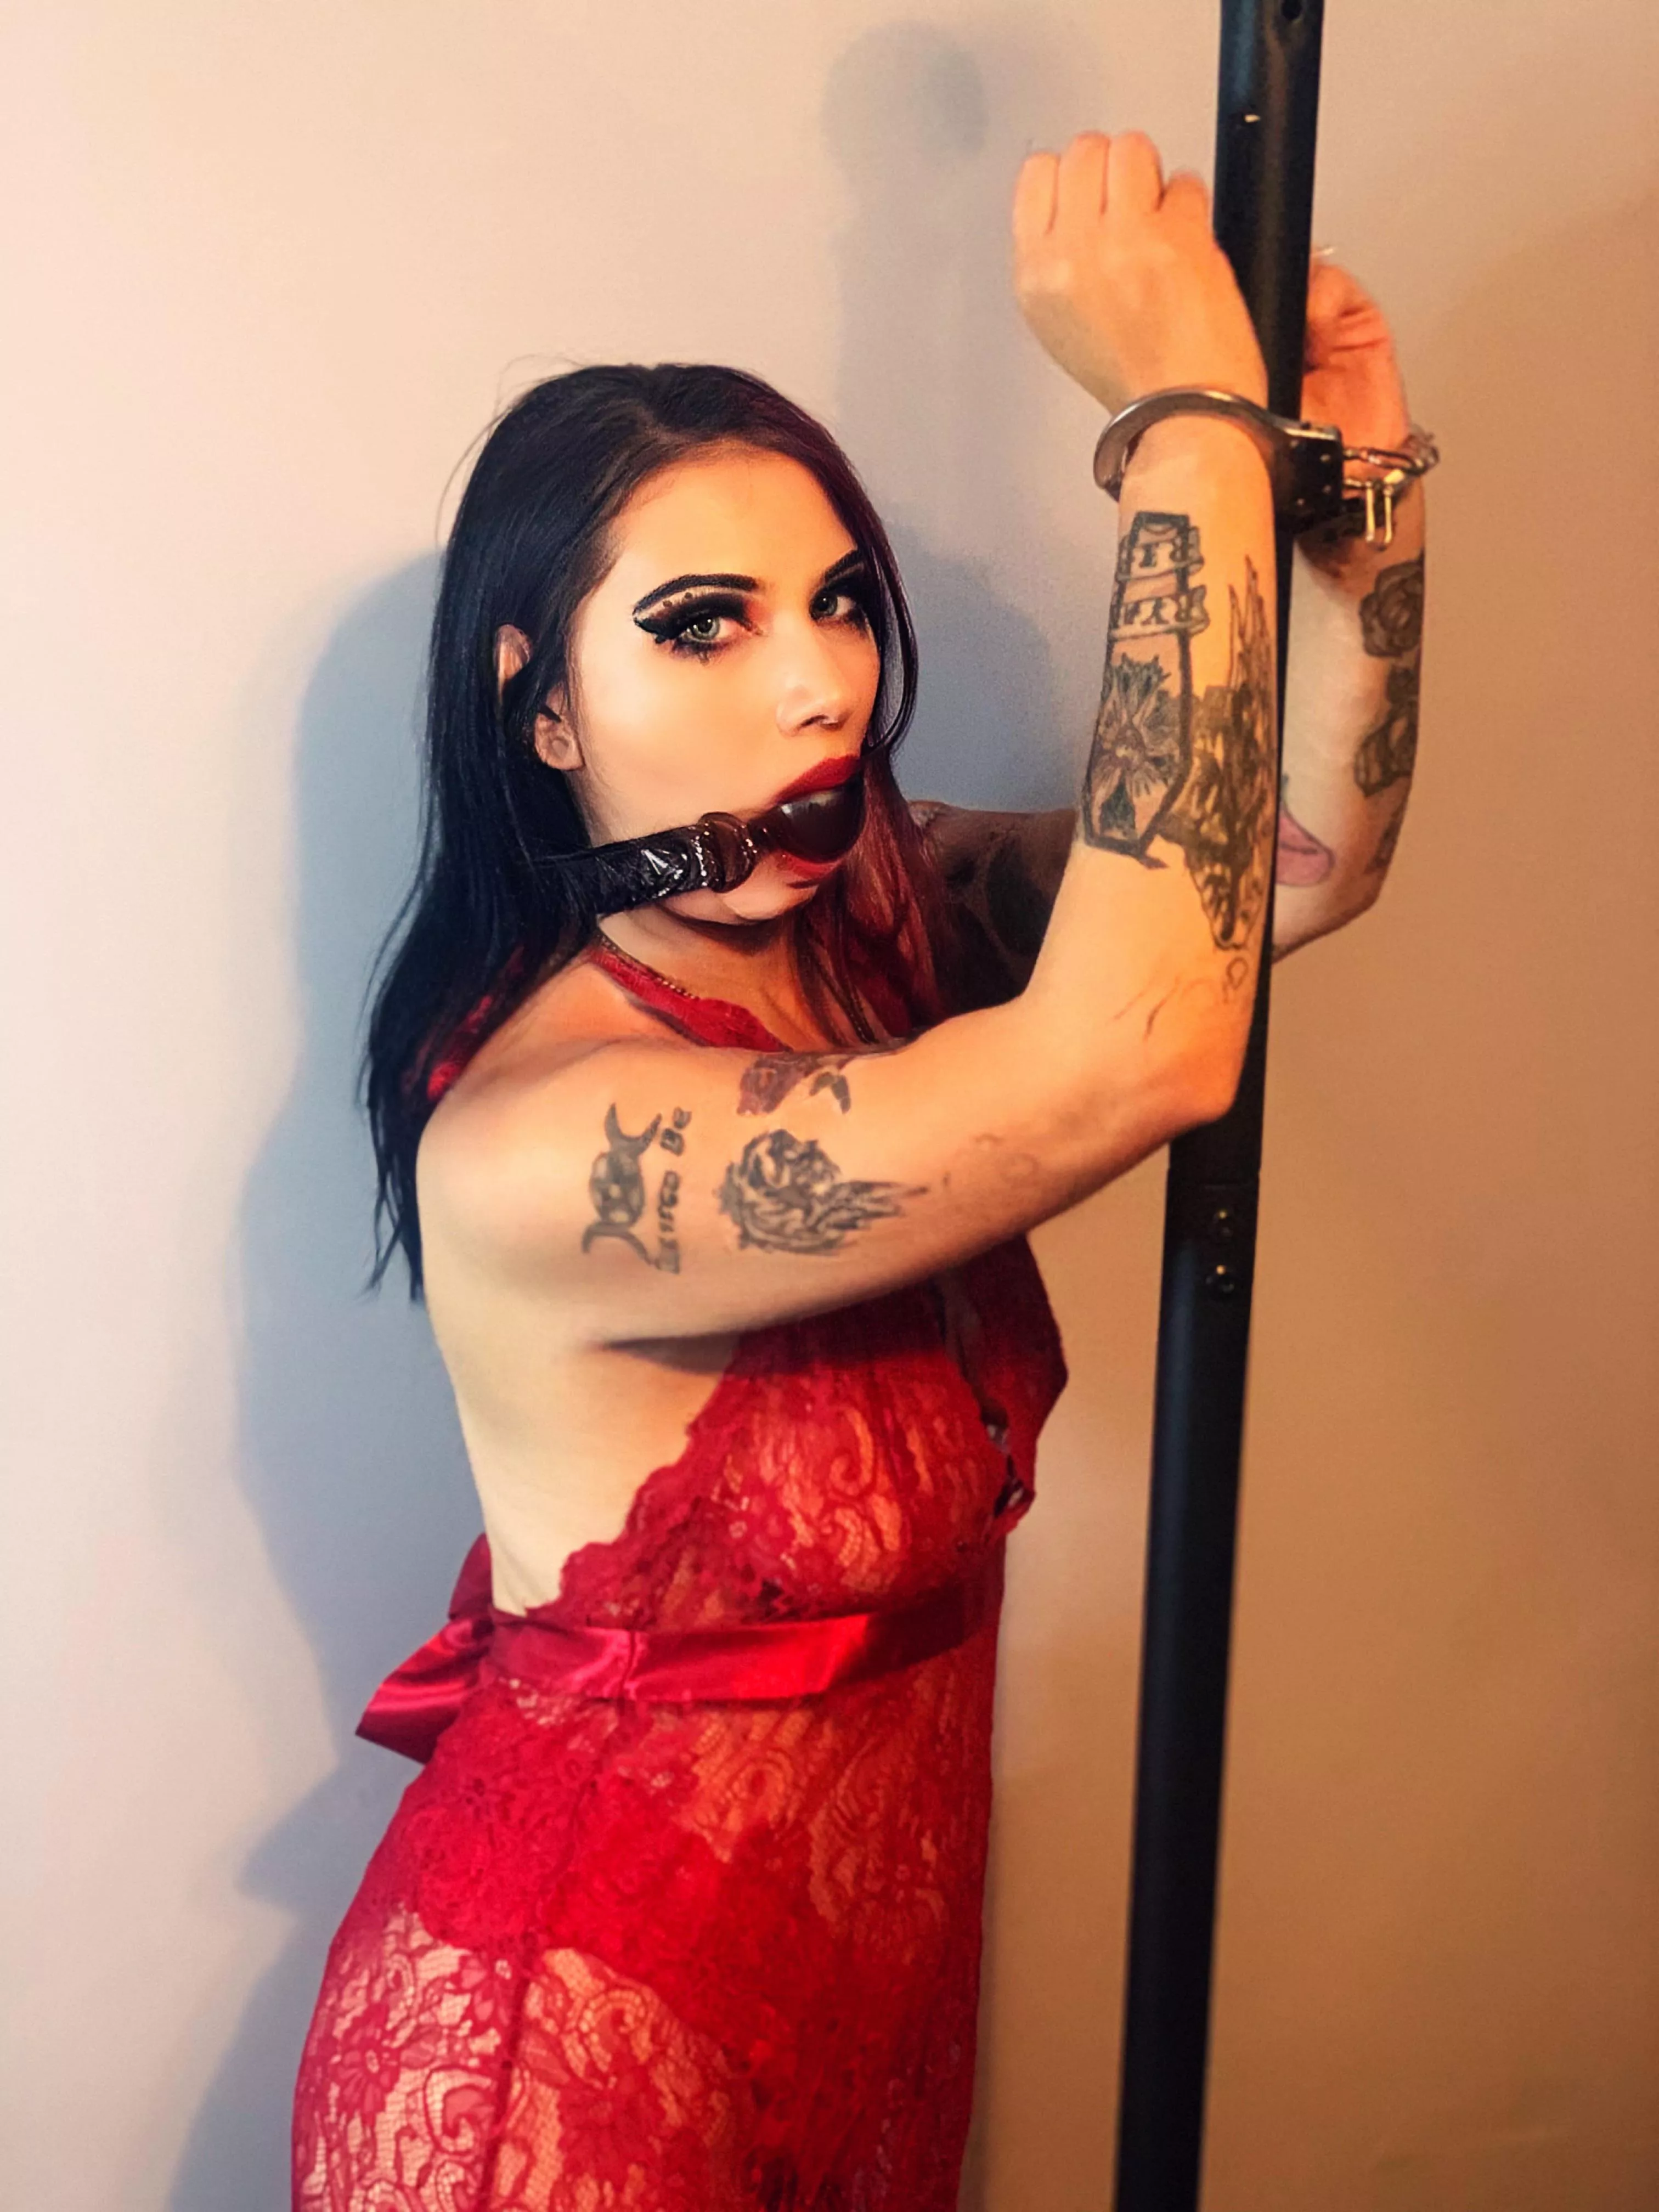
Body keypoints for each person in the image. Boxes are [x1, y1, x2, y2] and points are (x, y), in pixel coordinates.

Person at [291, 129, 1426, 2209]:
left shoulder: (880, 934)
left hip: (864, 1993)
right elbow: (1146, 1043)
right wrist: (1185, 427)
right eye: (701, 627)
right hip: (566, 2059)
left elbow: (1286, 875)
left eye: (834, 603)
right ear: (542, 712)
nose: (822, 680)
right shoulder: (548, 1144)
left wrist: (1347, 485)